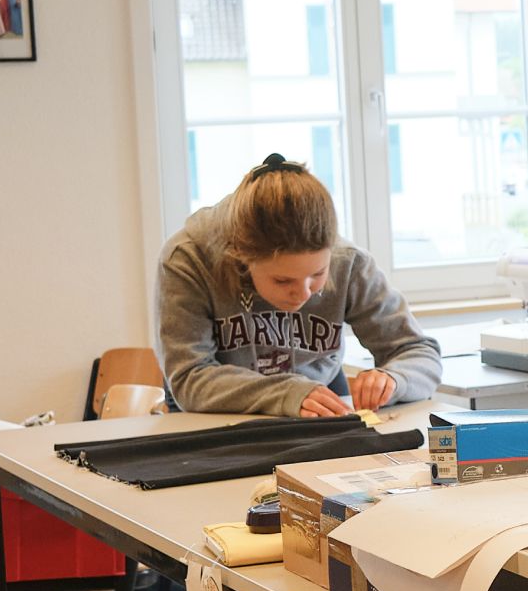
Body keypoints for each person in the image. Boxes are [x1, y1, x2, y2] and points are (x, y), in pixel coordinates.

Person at [159, 153, 441, 417]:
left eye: (318, 274)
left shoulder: (349, 262)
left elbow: (417, 352)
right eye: (282, 280)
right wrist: (287, 393)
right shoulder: (188, 258)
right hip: (217, 410)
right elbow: (190, 377)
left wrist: (395, 379)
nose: (304, 292)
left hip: (316, 393)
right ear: (242, 258)